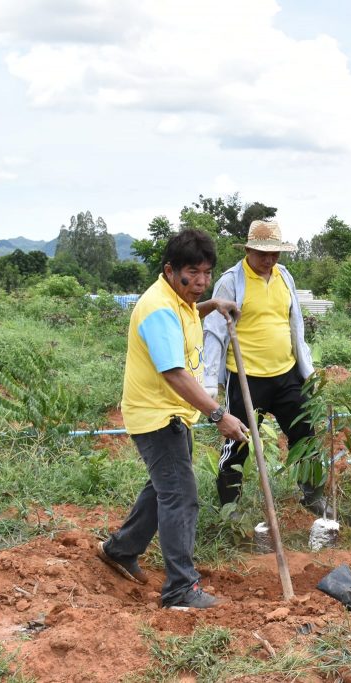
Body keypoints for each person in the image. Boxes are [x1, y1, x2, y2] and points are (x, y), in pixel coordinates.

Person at [97, 229, 248, 610]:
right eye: (191, 273)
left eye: (206, 273)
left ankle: (120, 549)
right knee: (180, 495)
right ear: (169, 270)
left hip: (173, 413)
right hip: (157, 415)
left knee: (163, 488)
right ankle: (181, 588)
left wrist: (211, 304)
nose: (199, 282)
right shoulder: (160, 309)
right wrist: (219, 415)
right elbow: (175, 372)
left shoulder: (176, 299)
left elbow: (187, 316)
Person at [202, 221, 324, 514]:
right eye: (262, 254)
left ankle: (314, 499)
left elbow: (295, 326)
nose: (269, 260)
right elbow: (214, 333)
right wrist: (209, 385)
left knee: (305, 436)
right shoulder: (231, 281)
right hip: (246, 378)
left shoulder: (284, 277)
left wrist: (306, 369)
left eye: (274, 254)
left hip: (286, 374)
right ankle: (229, 508)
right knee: (238, 441)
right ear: (247, 250)